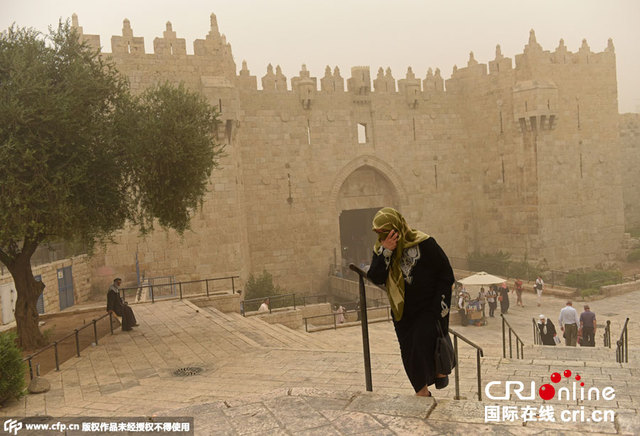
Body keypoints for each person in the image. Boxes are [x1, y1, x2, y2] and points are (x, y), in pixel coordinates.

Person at [367, 207, 455, 398]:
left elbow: (445, 272)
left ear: (395, 228)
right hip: (402, 311)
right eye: (378, 233)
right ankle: (422, 391)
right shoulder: (381, 250)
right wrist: (386, 252)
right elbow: (375, 276)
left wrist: (438, 305)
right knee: (407, 350)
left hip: (427, 307)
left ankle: (437, 376)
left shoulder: (424, 243)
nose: (381, 237)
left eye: (384, 232)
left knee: (420, 342)